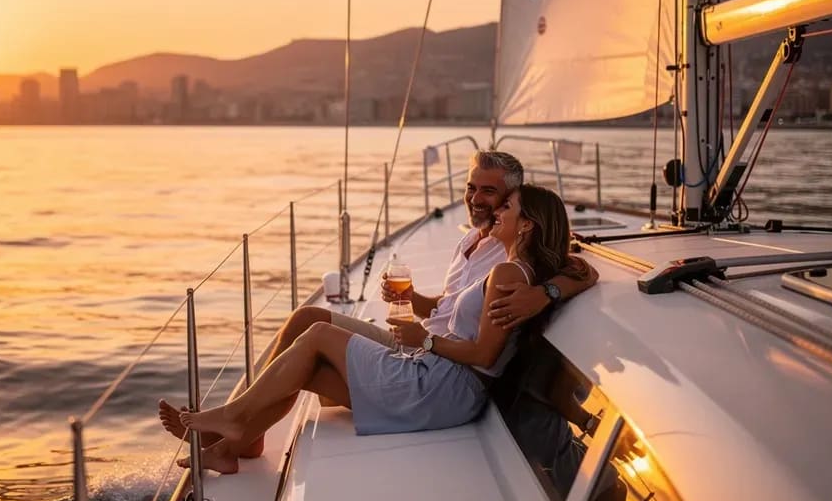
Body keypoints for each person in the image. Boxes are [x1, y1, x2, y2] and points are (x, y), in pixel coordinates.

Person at [157, 151, 598, 465]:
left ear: (513, 203)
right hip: (430, 348)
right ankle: (242, 441)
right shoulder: (472, 238)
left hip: (437, 359)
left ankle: (234, 424)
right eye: (471, 188)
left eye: (491, 193)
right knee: (306, 320)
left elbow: (577, 264)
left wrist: (548, 293)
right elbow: (449, 308)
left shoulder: (510, 255)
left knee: (315, 339)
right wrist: (413, 301)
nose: (478, 199)